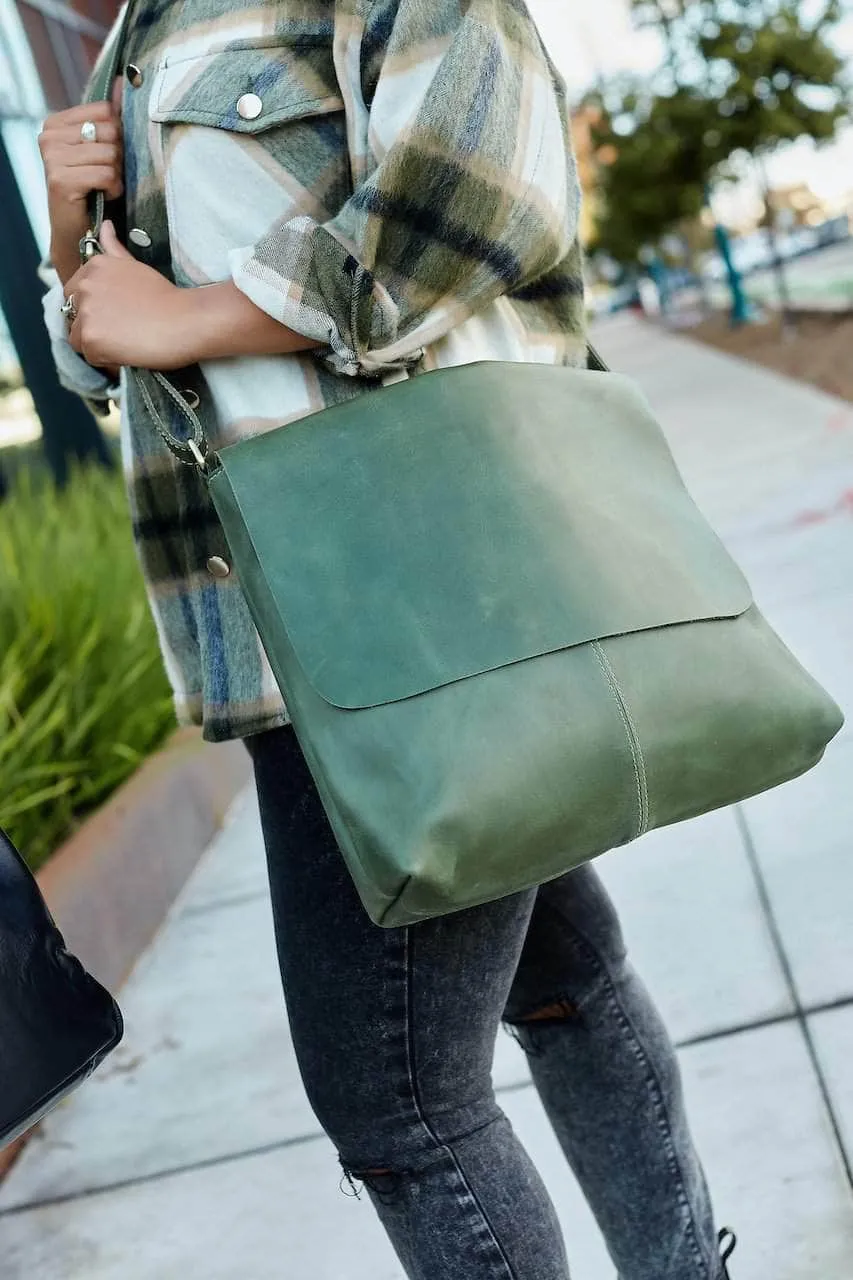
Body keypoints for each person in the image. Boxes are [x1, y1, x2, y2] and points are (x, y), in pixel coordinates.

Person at [38, 1, 737, 1275]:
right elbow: (103, 359)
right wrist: (68, 233)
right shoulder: (131, 29)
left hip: (408, 614)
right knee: (560, 980)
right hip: (279, 638)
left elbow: (470, 205)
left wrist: (185, 317)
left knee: (395, 1102)